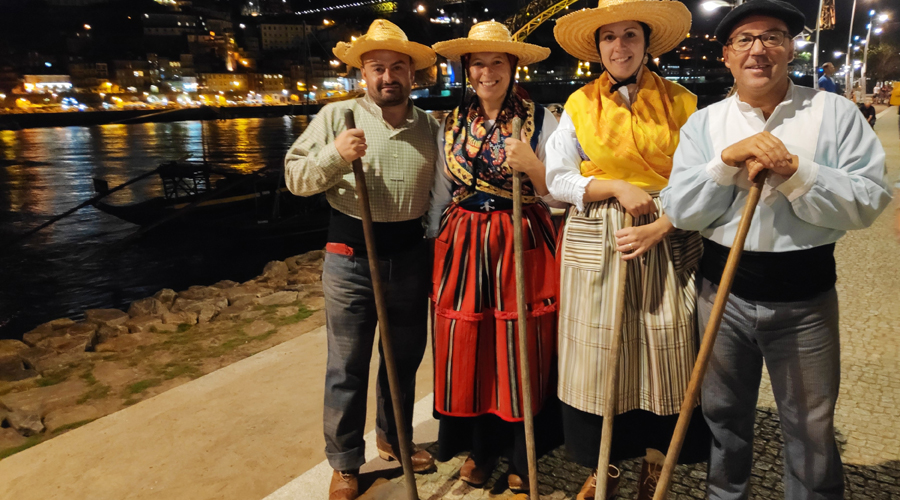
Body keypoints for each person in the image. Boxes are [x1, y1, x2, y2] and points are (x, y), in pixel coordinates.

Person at [660, 1, 892, 498]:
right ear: (726, 55)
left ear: (790, 49)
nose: (758, 50)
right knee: (723, 417)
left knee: (810, 427)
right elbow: (680, 210)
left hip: (806, 297)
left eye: (772, 37)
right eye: (744, 40)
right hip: (722, 293)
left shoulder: (835, 113)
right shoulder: (705, 124)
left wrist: (796, 172)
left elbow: (870, 200)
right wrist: (725, 162)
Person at [547, 1, 710, 498]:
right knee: (601, 356)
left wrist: (663, 219)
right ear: (598, 47)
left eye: (630, 35)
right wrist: (616, 186)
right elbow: (558, 179)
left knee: (667, 347)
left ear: (646, 43)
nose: (619, 46)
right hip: (601, 236)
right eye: (609, 37)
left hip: (667, 230)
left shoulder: (684, 102)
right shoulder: (578, 104)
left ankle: (657, 464)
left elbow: (700, 176)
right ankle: (606, 465)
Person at [283, 20, 440, 500]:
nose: (387, 76)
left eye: (397, 67)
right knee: (346, 367)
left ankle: (394, 438)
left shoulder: (429, 127)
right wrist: (335, 154)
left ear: (412, 74)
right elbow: (295, 177)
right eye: (377, 68)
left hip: (410, 257)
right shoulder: (338, 117)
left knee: (403, 360)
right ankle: (345, 462)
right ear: (363, 74)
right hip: (350, 259)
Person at [426, 20, 562, 492]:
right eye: (478, 63)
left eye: (497, 62)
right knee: (473, 343)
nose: (487, 73)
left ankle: (524, 451)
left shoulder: (541, 119)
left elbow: (559, 194)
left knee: (522, 343)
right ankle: (480, 448)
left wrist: (535, 168)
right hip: (463, 244)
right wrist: (436, 246)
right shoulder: (451, 123)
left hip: (520, 238)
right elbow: (441, 193)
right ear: (467, 69)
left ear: (513, 66)